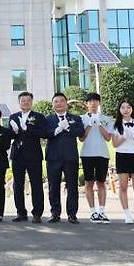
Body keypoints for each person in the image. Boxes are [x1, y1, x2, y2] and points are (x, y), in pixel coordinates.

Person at [45, 92, 85, 224]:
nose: (59, 103)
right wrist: (57, 129)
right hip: (53, 157)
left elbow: (81, 132)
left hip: (70, 157)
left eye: (61, 101)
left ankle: (72, 214)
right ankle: (55, 213)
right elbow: (45, 134)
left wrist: (68, 128)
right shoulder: (48, 119)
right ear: (53, 105)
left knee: (72, 186)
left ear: (66, 103)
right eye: (56, 101)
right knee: (53, 186)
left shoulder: (75, 118)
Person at [8, 92, 47, 223]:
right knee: (17, 185)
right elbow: (11, 136)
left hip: (34, 155)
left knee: (36, 184)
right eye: (23, 100)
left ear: (31, 102)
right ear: (19, 103)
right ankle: (21, 212)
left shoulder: (39, 116)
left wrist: (27, 129)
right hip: (18, 155)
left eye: (28, 100)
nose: (25, 102)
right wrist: (13, 132)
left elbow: (43, 133)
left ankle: (37, 213)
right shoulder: (13, 117)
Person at [79, 92, 113, 224]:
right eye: (90, 101)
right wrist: (89, 125)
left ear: (99, 103)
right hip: (87, 154)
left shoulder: (106, 119)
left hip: (102, 154)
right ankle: (93, 212)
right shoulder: (81, 119)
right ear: (86, 104)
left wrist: (99, 124)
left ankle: (102, 211)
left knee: (101, 182)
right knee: (89, 182)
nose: (93, 103)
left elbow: (108, 138)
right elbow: (81, 138)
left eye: (96, 101)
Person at [112, 100, 134, 224]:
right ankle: (127, 214)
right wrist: (123, 137)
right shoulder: (116, 125)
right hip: (122, 156)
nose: (126, 109)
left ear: (132, 109)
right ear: (119, 110)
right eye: (123, 107)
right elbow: (115, 144)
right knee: (123, 187)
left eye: (128, 107)